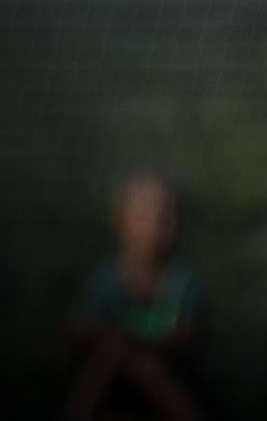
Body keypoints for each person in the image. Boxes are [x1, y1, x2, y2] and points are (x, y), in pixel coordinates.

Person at [64, 171, 205, 420]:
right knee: (111, 357)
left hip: (168, 368)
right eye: (142, 217)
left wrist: (130, 340)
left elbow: (187, 334)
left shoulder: (183, 277)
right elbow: (79, 326)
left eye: (164, 218)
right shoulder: (107, 277)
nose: (154, 227)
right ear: (119, 220)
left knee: (141, 363)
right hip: (114, 371)